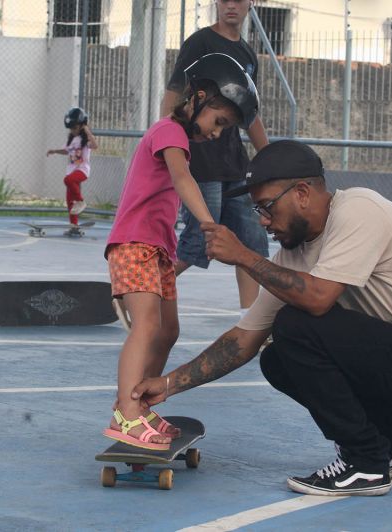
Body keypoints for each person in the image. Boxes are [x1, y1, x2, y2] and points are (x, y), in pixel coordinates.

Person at [132, 140, 392, 494]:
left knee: (295, 325)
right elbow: (243, 340)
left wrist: (244, 256)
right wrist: (169, 384)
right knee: (277, 359)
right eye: (257, 212)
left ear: (302, 193)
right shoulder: (294, 256)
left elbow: (317, 298)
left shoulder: (359, 210)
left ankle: (365, 463)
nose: (264, 222)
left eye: (267, 208)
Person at [103, 53, 260, 450]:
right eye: (219, 121)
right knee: (148, 327)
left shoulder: (180, 139)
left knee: (169, 330)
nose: (217, 132)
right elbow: (181, 178)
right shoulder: (170, 131)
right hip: (134, 244)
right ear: (199, 97)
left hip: (156, 248)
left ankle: (141, 402)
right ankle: (126, 413)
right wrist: (210, 224)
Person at [114, 0, 269, 332]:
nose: (231, 6)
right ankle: (138, 285)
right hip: (199, 162)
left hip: (233, 164)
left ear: (250, 5)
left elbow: (249, 116)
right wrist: (168, 143)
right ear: (215, 4)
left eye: (239, 0)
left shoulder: (248, 55)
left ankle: (250, 320)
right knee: (199, 239)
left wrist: (268, 158)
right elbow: (174, 96)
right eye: (224, 0)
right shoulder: (200, 43)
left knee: (251, 240)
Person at [46, 107, 98, 225]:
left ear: (82, 126)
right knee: (70, 201)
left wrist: (87, 130)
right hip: (71, 171)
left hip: (82, 170)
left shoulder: (84, 141)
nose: (73, 131)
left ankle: (81, 201)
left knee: (68, 180)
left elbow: (95, 145)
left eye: (75, 128)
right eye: (71, 129)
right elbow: (66, 151)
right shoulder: (72, 140)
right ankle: (73, 225)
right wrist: (54, 151)